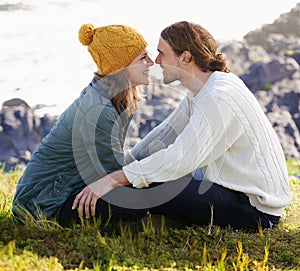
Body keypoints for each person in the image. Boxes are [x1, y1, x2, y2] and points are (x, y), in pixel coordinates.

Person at [72, 21, 292, 231]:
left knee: (157, 187)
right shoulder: (204, 88)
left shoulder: (219, 97)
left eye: (162, 53)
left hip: (255, 209)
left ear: (185, 57)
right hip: (234, 191)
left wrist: (115, 178)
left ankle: (72, 215)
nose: (156, 61)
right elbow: (167, 134)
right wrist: (122, 166)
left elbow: (180, 158)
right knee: (148, 177)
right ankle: (85, 201)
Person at [12, 23, 154, 226]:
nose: (151, 62)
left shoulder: (115, 97)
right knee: (139, 201)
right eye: (142, 58)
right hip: (42, 205)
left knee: (147, 187)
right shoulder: (99, 111)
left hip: (63, 192)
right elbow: (112, 175)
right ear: (121, 67)